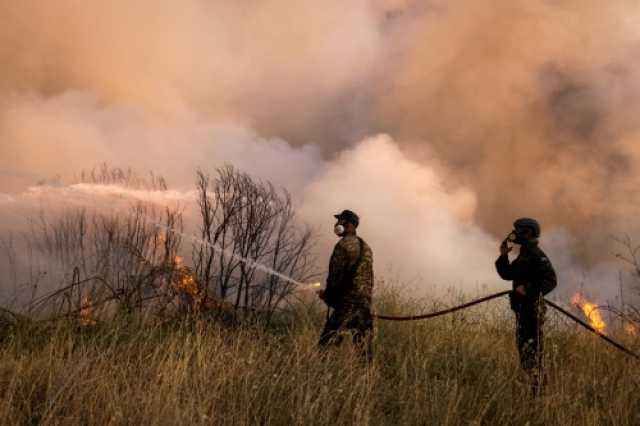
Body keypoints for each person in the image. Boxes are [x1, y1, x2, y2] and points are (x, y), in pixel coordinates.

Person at [495, 217, 557, 393]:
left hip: (532, 310)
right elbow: (508, 274)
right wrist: (503, 256)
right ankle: (533, 387)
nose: (515, 232)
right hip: (522, 309)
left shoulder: (537, 255)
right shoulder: (524, 254)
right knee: (524, 349)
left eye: (519, 229)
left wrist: (528, 288)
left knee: (533, 350)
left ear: (528, 232)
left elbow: (550, 281)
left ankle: (539, 390)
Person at [317, 209, 374, 360]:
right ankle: (367, 381)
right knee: (363, 352)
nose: (336, 224)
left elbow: (335, 277)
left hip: (346, 306)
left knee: (326, 346)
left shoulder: (342, 246)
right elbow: (369, 280)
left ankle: (320, 377)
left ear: (347, 224)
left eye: (339, 221)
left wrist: (327, 296)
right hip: (364, 306)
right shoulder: (366, 247)